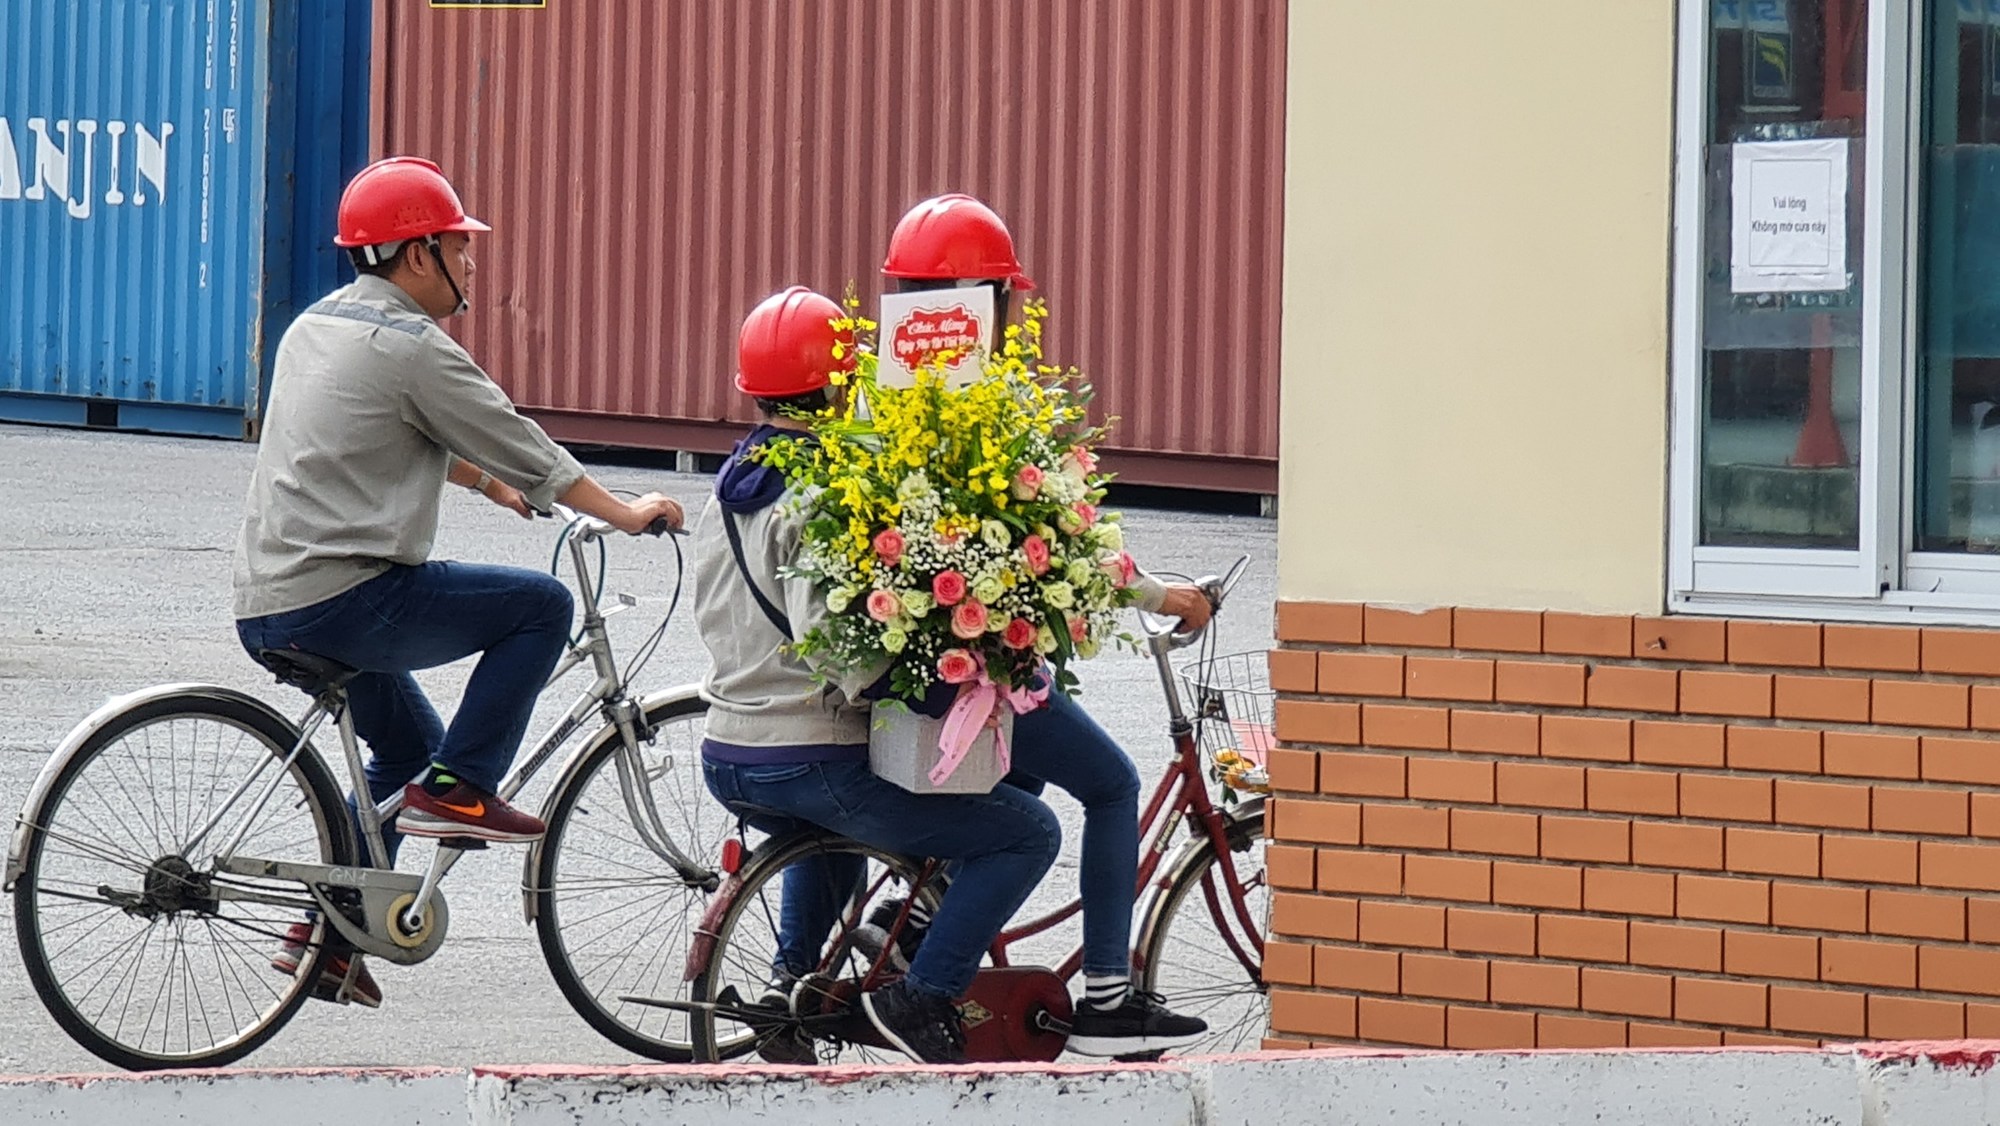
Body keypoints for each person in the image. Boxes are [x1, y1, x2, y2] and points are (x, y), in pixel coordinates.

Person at [232, 156, 683, 1008]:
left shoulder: (316, 327)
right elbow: (524, 442)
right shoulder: (415, 348)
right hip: (346, 599)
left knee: (407, 750)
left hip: (268, 601)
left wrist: (486, 485)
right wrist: (625, 513)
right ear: (417, 254)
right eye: (460, 247)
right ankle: (462, 791)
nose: (472, 264)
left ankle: (328, 936)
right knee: (541, 607)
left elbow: (374, 435)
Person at [870, 193, 1212, 1055]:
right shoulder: (981, 403)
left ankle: (910, 917)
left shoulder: (879, 398)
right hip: (979, 675)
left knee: (1018, 779)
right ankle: (1108, 997)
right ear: (985, 300)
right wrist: (1165, 598)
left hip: (902, 670)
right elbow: (1063, 539)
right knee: (1111, 784)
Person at [693, 285, 1063, 1064]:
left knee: (836, 838)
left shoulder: (725, 491)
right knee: (1027, 832)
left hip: (728, 752)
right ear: (836, 385)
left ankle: (790, 993)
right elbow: (831, 644)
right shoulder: (819, 494)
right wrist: (923, 679)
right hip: (808, 757)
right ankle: (921, 997)